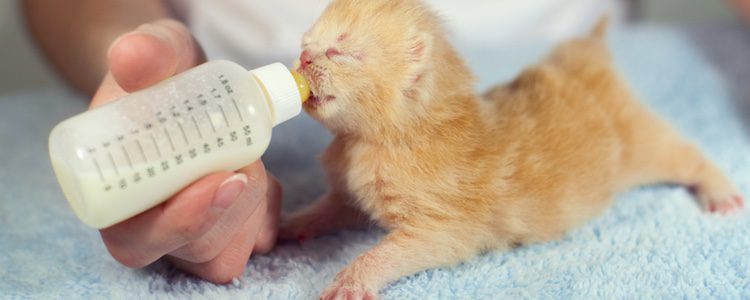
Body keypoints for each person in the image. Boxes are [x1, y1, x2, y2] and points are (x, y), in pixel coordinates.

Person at [25, 0, 747, 284]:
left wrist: (367, 272)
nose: (308, 61)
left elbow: (445, 228)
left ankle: (702, 170)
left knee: (647, 150)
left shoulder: (428, 157)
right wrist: (129, 63)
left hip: (589, 121)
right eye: (318, 39)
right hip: (189, 67)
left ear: (414, 80)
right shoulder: (356, 147)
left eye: (341, 54)